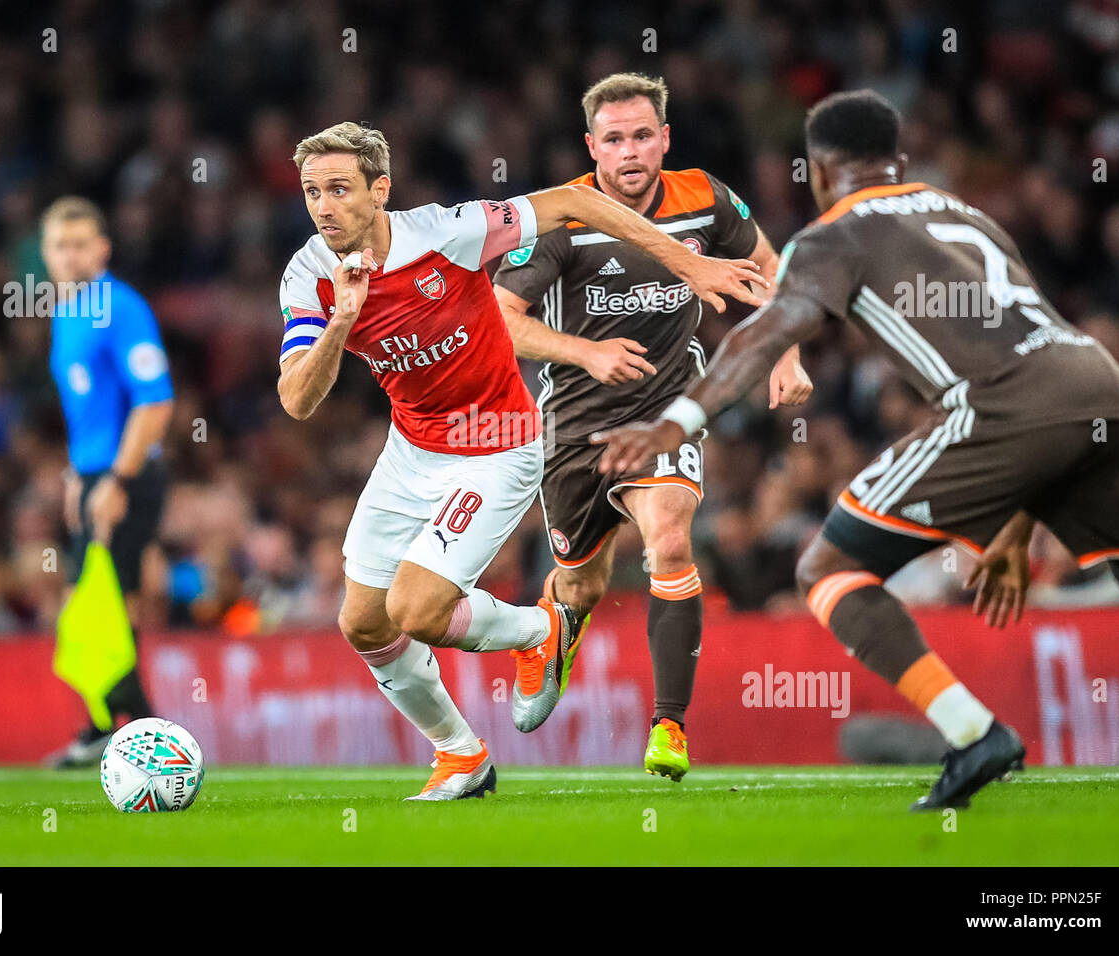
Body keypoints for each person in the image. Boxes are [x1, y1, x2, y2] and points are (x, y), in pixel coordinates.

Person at [593, 89, 1119, 810]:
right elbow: (1032, 343)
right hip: (1096, 383)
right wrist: (1013, 534)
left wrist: (674, 423)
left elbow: (767, 332)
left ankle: (974, 733)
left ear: (819, 172)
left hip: (1002, 404)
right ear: (898, 160)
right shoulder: (962, 212)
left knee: (828, 567)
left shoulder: (832, 234)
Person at [277, 122, 768, 799]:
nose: (323, 207)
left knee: (417, 610)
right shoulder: (309, 274)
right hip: (411, 451)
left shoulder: (449, 233)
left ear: (380, 189)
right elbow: (299, 399)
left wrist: (686, 261)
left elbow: (573, 202)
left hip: (498, 442)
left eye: (339, 189)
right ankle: (461, 757)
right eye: (311, 193)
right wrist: (342, 320)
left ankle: (542, 631)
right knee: (362, 622)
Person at [492, 72, 812, 780]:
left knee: (669, 539)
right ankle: (556, 628)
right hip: (575, 426)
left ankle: (669, 725)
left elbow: (770, 266)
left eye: (643, 136)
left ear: (665, 139)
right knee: (580, 583)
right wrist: (587, 353)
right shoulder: (563, 219)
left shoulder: (703, 197)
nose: (630, 152)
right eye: (614, 140)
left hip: (668, 411)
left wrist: (785, 353)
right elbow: (500, 320)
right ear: (591, 147)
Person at [40, 197, 175, 768]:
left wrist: (116, 480)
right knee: (99, 605)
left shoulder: (121, 308)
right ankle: (114, 726)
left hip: (130, 473)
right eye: (59, 246)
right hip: (97, 472)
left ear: (102, 249)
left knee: (97, 605)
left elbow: (156, 402)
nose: (69, 256)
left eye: (80, 245)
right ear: (46, 255)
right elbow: (89, 411)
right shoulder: (67, 313)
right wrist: (79, 474)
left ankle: (140, 730)